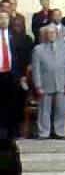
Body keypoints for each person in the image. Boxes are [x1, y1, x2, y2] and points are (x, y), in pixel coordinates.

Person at [32, 24, 65, 139]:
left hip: (61, 83)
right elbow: (36, 69)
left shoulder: (64, 47)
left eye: (53, 33)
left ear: (57, 34)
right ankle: (44, 133)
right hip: (45, 84)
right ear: (45, 35)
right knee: (44, 110)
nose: (51, 35)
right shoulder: (38, 49)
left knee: (61, 109)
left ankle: (60, 132)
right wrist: (38, 85)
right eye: (49, 33)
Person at [0, 11, 22, 139]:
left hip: (11, 75)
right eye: (0, 18)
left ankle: (12, 132)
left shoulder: (15, 35)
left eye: (5, 18)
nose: (3, 20)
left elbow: (19, 57)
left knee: (11, 104)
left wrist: (21, 75)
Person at [11, 17, 34, 137]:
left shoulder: (28, 39)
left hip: (26, 75)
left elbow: (31, 56)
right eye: (15, 24)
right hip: (11, 75)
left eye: (20, 24)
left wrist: (26, 75)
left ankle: (20, 131)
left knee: (21, 104)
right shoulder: (9, 38)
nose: (18, 27)